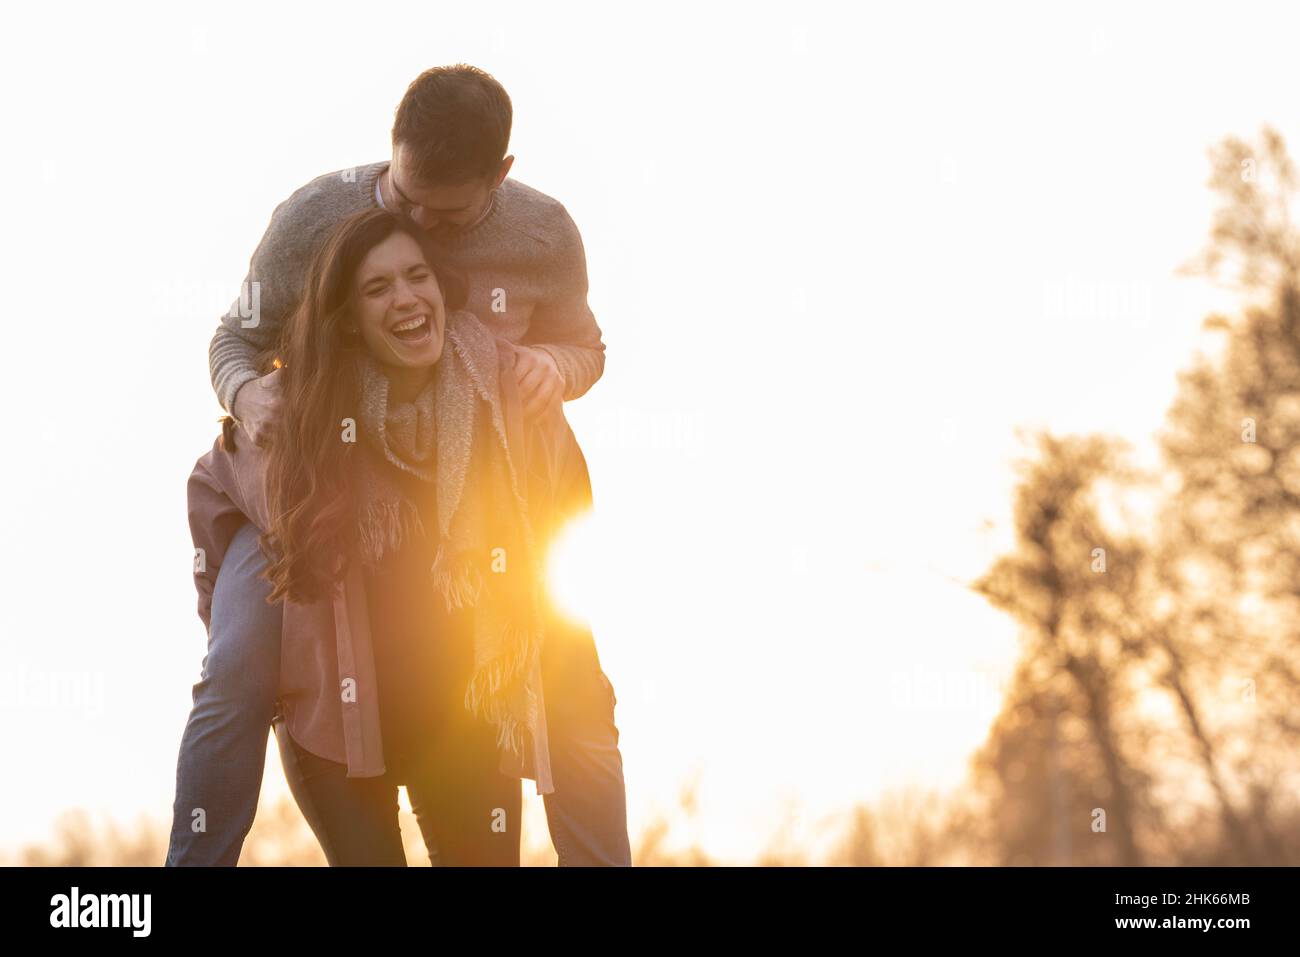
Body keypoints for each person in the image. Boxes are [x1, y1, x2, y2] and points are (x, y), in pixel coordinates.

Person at [168, 64, 630, 866]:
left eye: (434, 218)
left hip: (486, 501)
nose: (408, 215)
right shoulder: (320, 216)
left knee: (574, 696)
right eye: (400, 190)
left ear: (500, 177)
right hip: (305, 487)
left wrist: (554, 366)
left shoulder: (543, 233)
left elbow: (587, 348)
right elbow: (232, 341)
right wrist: (248, 397)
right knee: (239, 668)